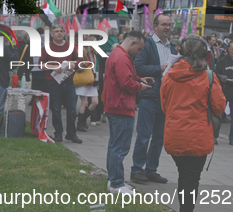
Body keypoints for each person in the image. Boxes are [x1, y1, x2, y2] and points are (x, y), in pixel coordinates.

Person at [160, 35, 226, 212]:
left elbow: (164, 105)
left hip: (175, 134)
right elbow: (219, 105)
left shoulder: (170, 75)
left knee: (184, 176)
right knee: (191, 179)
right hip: (197, 135)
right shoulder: (208, 76)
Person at [104, 31, 153, 195]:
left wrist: (139, 79)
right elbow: (126, 82)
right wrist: (140, 86)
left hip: (115, 105)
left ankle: (113, 180)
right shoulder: (123, 57)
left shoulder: (117, 53)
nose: (139, 53)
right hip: (122, 106)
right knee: (120, 147)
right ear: (132, 43)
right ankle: (116, 183)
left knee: (114, 146)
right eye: (139, 49)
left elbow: (125, 77)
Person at [130, 14, 177, 184]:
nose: (167, 28)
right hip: (149, 95)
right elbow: (138, 67)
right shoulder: (148, 45)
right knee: (144, 135)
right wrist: (159, 68)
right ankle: (137, 170)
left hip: (165, 98)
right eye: (164, 24)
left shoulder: (172, 47)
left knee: (159, 137)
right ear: (155, 26)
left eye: (169, 25)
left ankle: (151, 170)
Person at [40, 24, 83, 144]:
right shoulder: (47, 47)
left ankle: (71, 134)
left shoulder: (70, 46)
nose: (59, 33)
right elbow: (41, 64)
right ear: (52, 34)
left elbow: (79, 59)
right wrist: (53, 66)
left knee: (72, 109)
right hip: (53, 82)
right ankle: (58, 134)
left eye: (61, 31)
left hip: (68, 82)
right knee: (56, 109)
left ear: (64, 33)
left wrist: (74, 64)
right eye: (56, 31)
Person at [75, 40, 99, 131]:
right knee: (84, 102)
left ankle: (83, 119)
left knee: (95, 102)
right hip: (84, 80)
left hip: (92, 80)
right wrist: (82, 64)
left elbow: (96, 68)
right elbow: (77, 65)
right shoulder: (83, 51)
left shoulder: (94, 54)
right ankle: (80, 124)